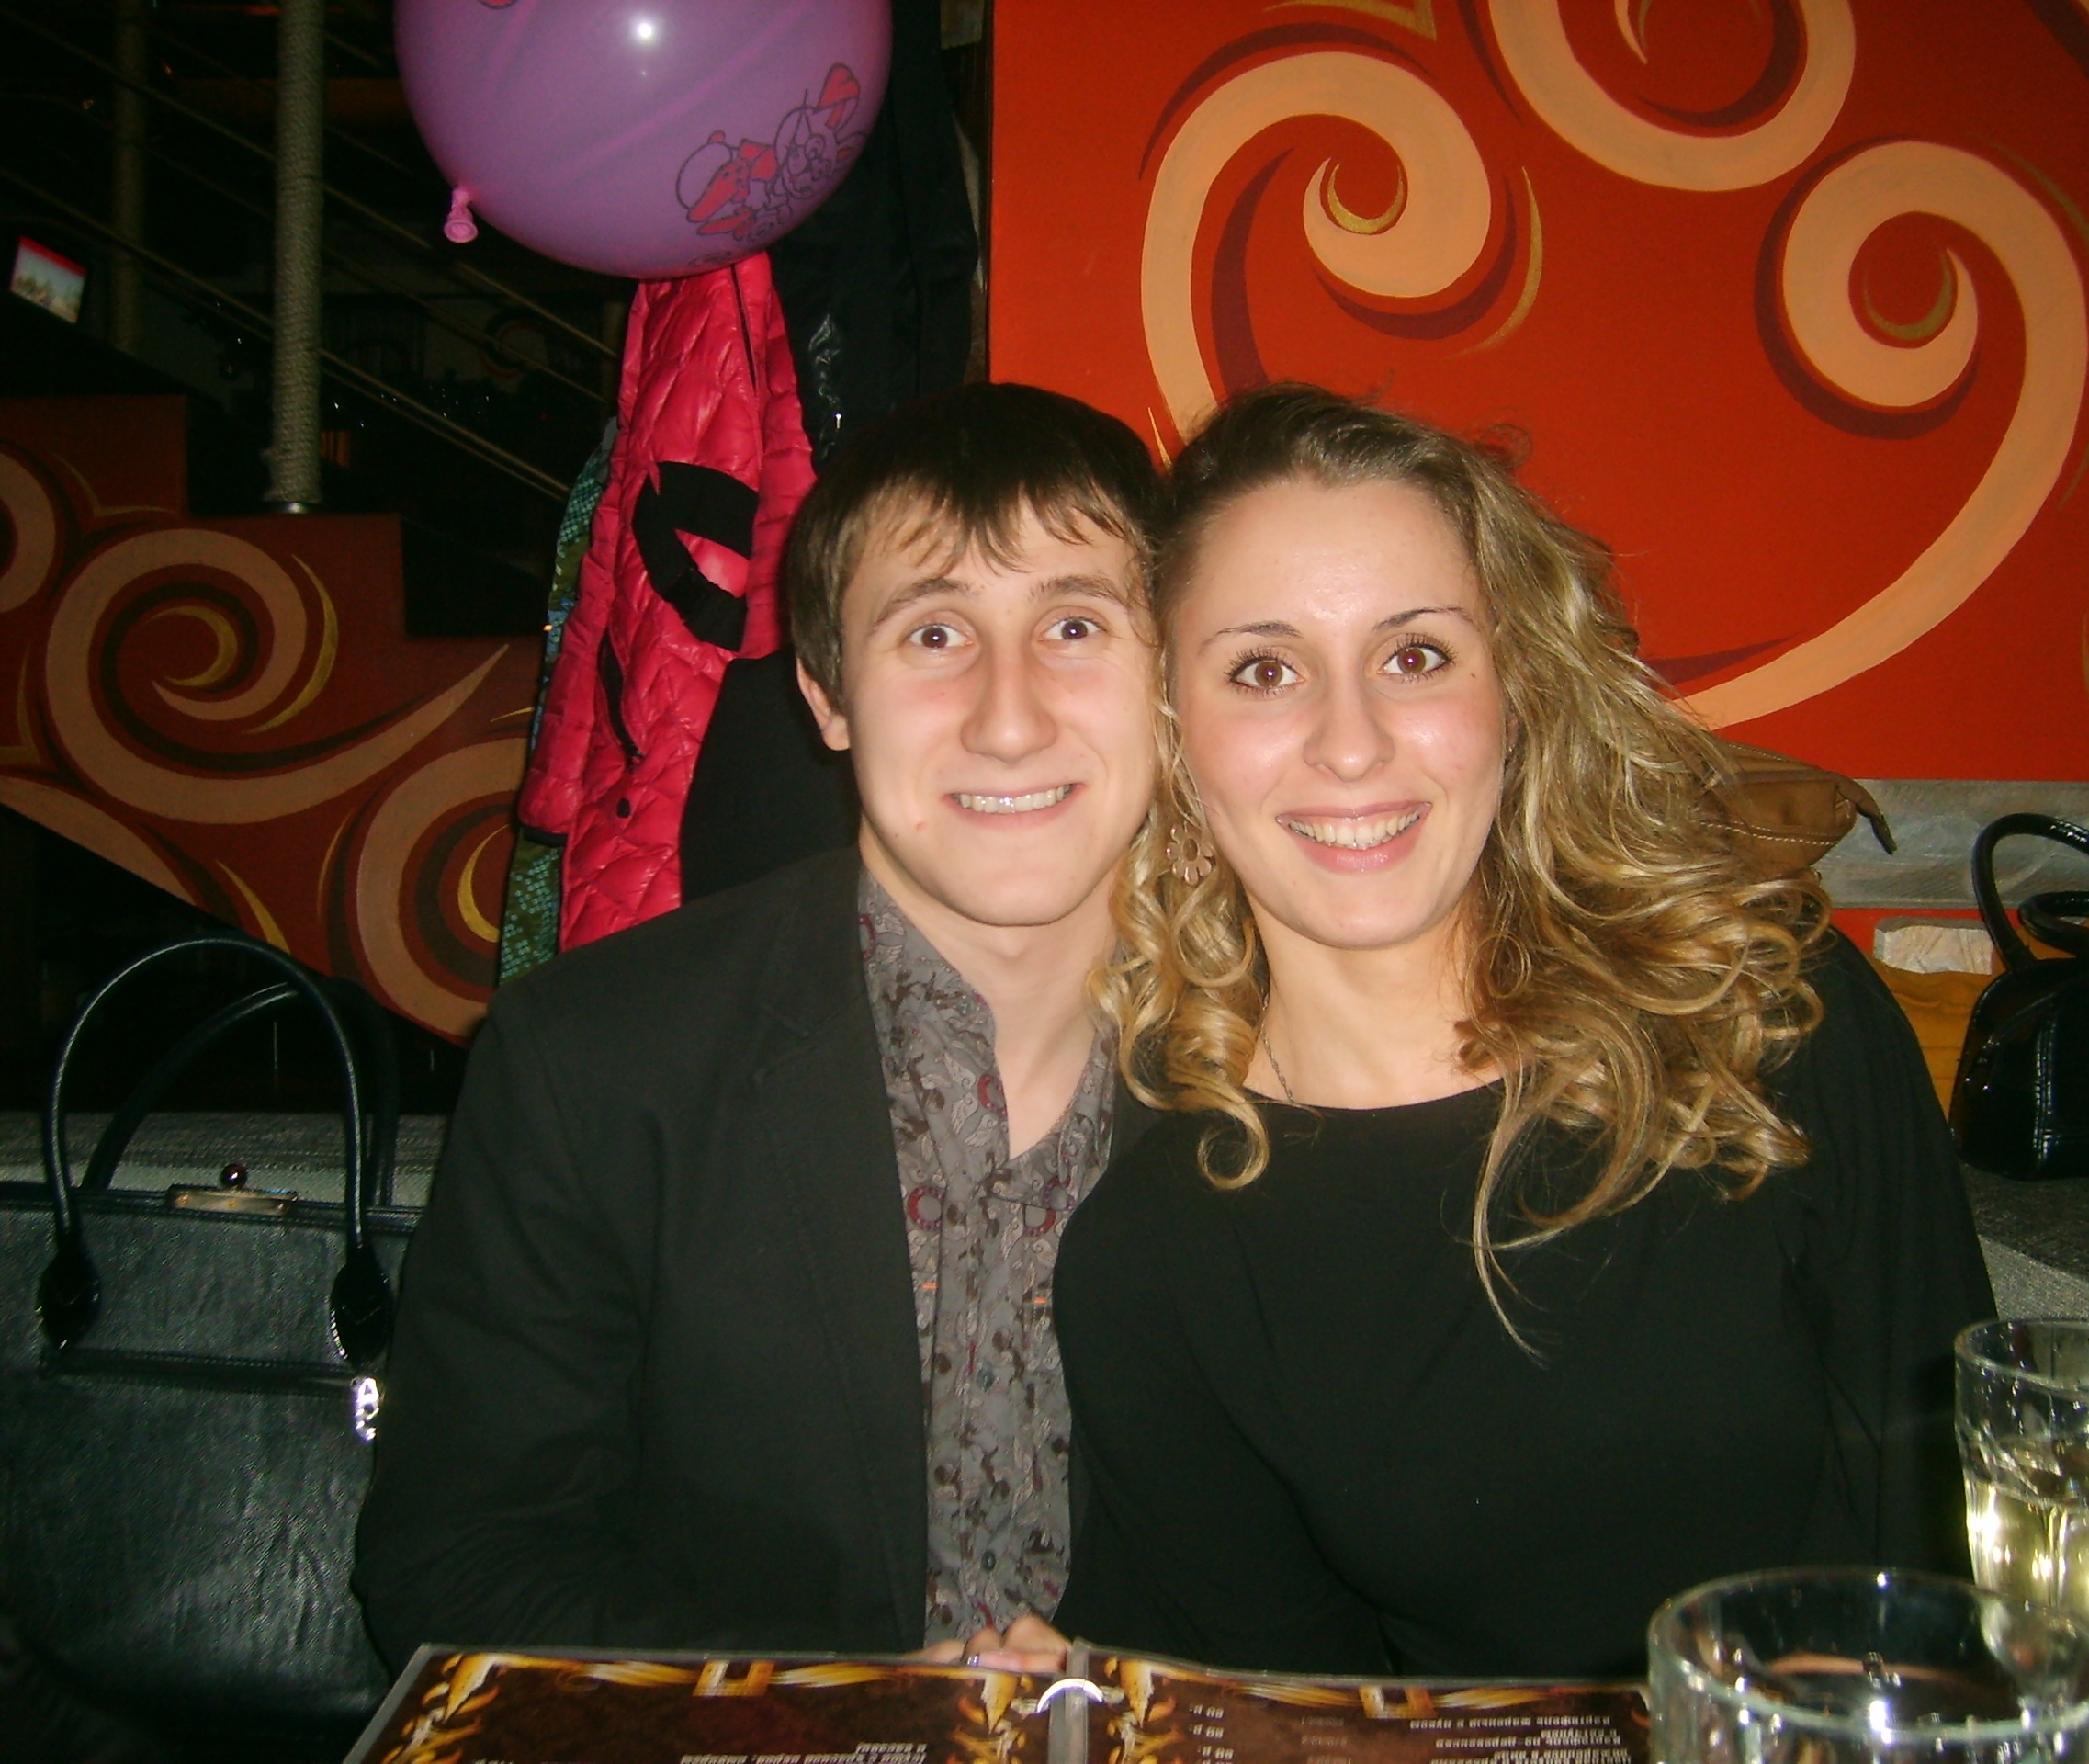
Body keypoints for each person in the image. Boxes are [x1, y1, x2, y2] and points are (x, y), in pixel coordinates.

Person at [1050, 384, 1995, 1679]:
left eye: (1416, 656)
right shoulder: (1157, 1261)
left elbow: (1955, 1558)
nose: (1350, 744)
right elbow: (1288, 1719)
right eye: (1264, 669)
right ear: (1174, 732)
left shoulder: (1772, 1022)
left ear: (1517, 689)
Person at [355, 382, 1161, 1670]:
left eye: (1074, 624)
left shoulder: (1295, 1064)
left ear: (1167, 674)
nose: (1009, 717)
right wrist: (831, 1709)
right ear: (828, 697)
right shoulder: (594, 1063)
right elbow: (457, 1571)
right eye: (934, 634)